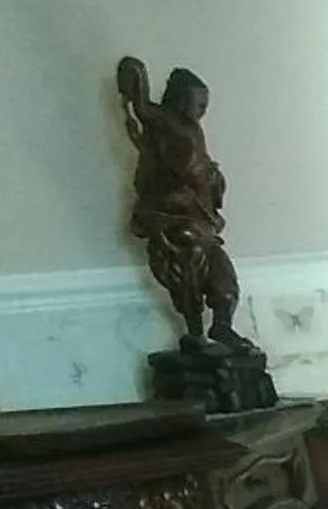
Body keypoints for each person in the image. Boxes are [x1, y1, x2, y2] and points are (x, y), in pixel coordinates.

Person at [115, 57, 249, 350]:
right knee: (187, 270)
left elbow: (198, 165)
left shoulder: (192, 129)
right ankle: (195, 330)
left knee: (223, 277)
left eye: (205, 106)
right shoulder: (164, 121)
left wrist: (212, 177)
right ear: (179, 99)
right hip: (174, 217)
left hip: (201, 216)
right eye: (197, 104)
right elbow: (141, 108)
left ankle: (222, 325)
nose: (202, 111)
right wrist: (136, 78)